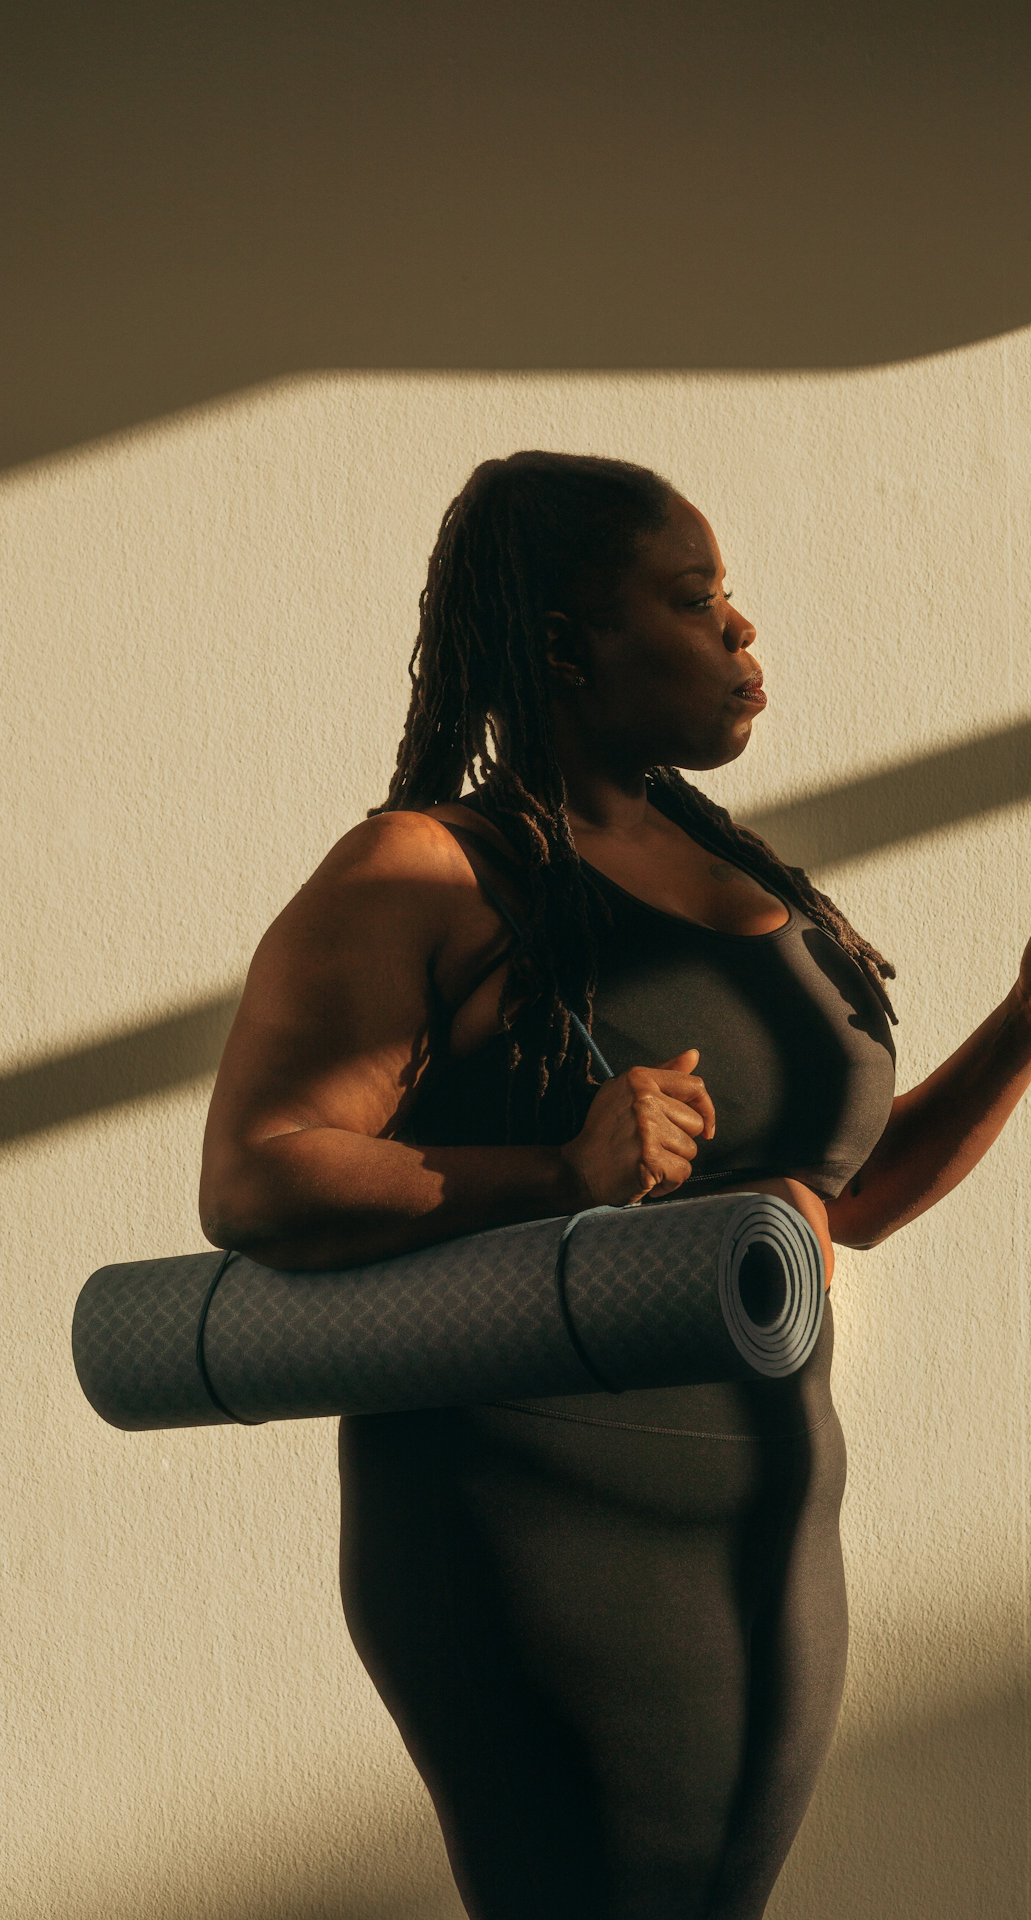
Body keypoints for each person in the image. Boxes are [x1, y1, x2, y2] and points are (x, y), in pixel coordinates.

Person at [200, 453, 1031, 1920]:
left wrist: (1025, 1026)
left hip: (762, 1532)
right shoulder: (428, 870)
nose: (741, 633)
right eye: (695, 597)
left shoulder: (736, 874)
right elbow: (258, 1175)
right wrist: (559, 1169)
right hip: (527, 1534)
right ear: (564, 643)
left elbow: (839, 1197)